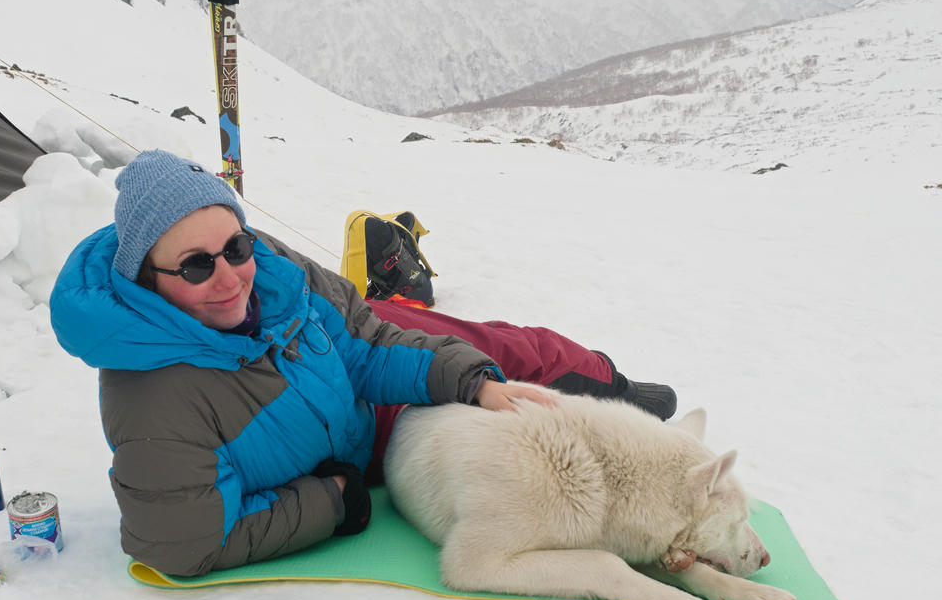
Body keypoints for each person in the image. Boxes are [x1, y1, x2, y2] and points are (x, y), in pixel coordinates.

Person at [50, 149, 676, 577]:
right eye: (195, 265)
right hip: (360, 456)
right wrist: (333, 500)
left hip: (359, 401)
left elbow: (364, 342)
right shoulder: (156, 399)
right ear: (147, 277)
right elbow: (183, 541)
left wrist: (471, 383)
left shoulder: (275, 276)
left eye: (235, 247)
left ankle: (610, 384)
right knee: (467, 357)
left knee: (485, 348)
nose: (228, 278)